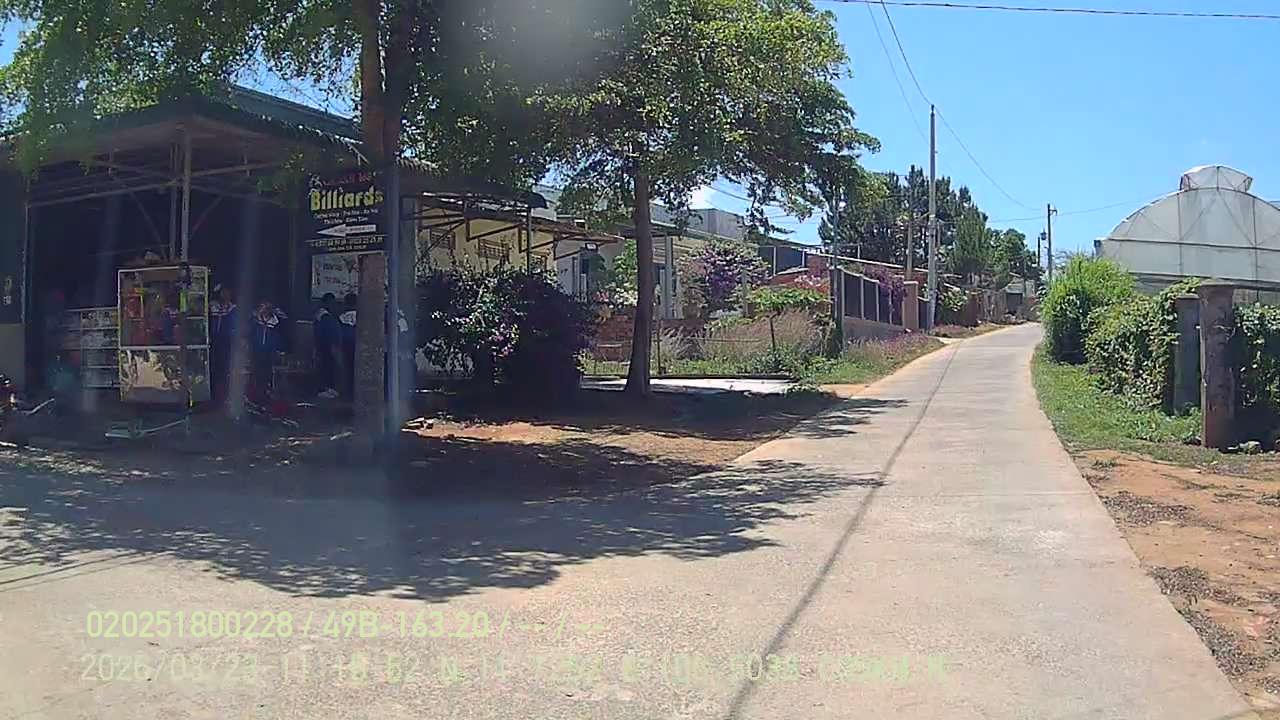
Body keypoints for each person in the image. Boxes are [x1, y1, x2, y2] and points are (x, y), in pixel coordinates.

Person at [249, 299, 285, 400]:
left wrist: (278, 349)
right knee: (257, 371)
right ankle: (256, 393)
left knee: (267, 372)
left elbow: (279, 337)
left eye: (267, 306)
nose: (265, 308)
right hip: (257, 350)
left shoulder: (276, 322)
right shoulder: (256, 319)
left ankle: (267, 392)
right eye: (263, 306)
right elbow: (249, 332)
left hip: (269, 352)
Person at [209, 284, 239, 402]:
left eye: (227, 292)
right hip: (213, 340)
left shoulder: (233, 308)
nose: (225, 295)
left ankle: (224, 395)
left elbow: (235, 325)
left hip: (226, 341)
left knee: (225, 367)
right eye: (222, 292)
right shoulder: (213, 306)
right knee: (213, 367)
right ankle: (213, 394)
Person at [313, 293, 341, 399]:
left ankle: (328, 388)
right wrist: (332, 345)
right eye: (331, 302)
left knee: (327, 366)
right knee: (325, 366)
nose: (333, 305)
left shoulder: (324, 315)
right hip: (325, 345)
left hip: (325, 345)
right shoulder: (324, 316)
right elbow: (326, 333)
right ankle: (323, 389)